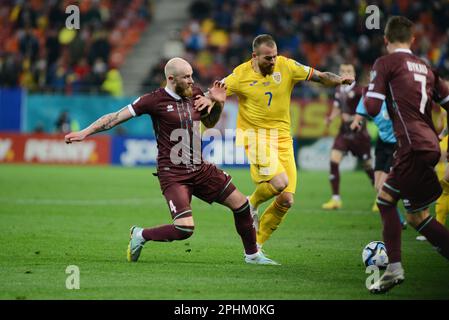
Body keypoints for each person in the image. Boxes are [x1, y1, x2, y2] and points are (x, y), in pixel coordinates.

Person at [64, 57, 278, 265]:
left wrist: (219, 104)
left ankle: (253, 256)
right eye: (186, 77)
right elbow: (115, 117)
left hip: (201, 169)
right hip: (173, 174)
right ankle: (141, 235)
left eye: (192, 76)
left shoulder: (194, 94)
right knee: (185, 229)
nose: (192, 81)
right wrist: (86, 132)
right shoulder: (153, 100)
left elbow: (210, 123)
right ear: (171, 79)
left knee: (242, 206)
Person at [200, 34, 353, 250]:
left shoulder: (287, 66)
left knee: (286, 199)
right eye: (268, 58)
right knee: (279, 182)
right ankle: (251, 203)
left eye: (275, 56)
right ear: (254, 56)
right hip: (254, 137)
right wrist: (208, 97)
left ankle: (257, 245)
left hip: (282, 138)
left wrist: (338, 80)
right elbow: (215, 91)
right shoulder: (240, 75)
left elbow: (319, 76)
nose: (273, 61)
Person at [363, 16, 449, 294]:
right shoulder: (426, 67)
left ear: (385, 39)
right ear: (413, 40)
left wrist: (369, 92)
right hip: (431, 145)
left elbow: (373, 108)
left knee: (385, 201)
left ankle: (394, 269)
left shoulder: (385, 63)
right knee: (417, 216)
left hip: (410, 146)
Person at [321, 64, 374, 210]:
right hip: (343, 133)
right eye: (343, 71)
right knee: (333, 160)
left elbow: (367, 110)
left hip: (359, 134)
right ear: (339, 73)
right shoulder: (339, 89)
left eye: (349, 71)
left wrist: (351, 118)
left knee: (368, 166)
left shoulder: (359, 91)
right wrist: (331, 118)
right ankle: (335, 199)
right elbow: (338, 107)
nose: (346, 74)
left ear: (354, 74)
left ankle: (380, 197)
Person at [350, 94, 407, 229]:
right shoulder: (368, 94)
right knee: (377, 186)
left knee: (383, 187)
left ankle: (398, 219)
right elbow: (360, 112)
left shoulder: (393, 93)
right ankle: (399, 220)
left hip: (397, 143)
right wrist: (356, 122)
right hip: (382, 143)